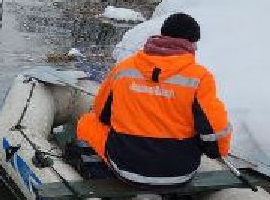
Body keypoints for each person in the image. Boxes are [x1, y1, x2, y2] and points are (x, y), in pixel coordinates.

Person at [76, 12, 232, 188]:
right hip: (180, 173)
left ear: (162, 35)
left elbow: (101, 114)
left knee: (86, 123)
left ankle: (98, 176)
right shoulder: (200, 77)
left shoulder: (124, 68)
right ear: (192, 43)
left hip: (127, 169)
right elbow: (215, 136)